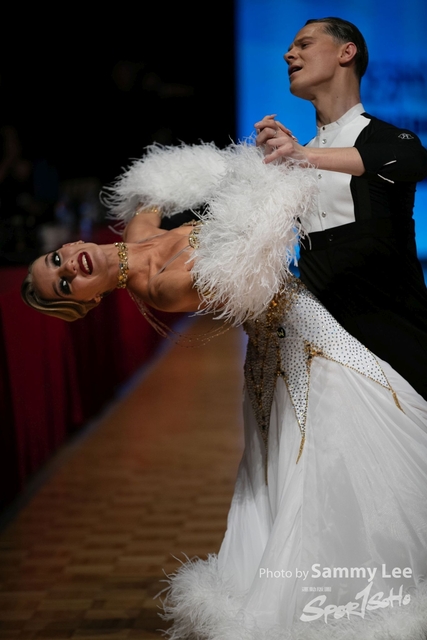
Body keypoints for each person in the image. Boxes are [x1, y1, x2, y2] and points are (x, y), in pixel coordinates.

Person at [22, 142, 427, 638]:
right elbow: (248, 246)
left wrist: (231, 164)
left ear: (65, 245)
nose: (68, 268)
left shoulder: (139, 233)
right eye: (64, 285)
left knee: (356, 445)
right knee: (325, 463)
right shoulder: (159, 287)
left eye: (55, 260)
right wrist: (266, 178)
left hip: (303, 325)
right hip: (297, 346)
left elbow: (162, 179)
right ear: (86, 304)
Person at [255, 17, 427, 402]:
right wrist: (263, 169)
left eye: (304, 44)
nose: (288, 54)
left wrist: (306, 157)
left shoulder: (389, 138)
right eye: (290, 47)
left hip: (398, 344)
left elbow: (413, 161)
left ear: (346, 53)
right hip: (322, 352)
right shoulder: (298, 156)